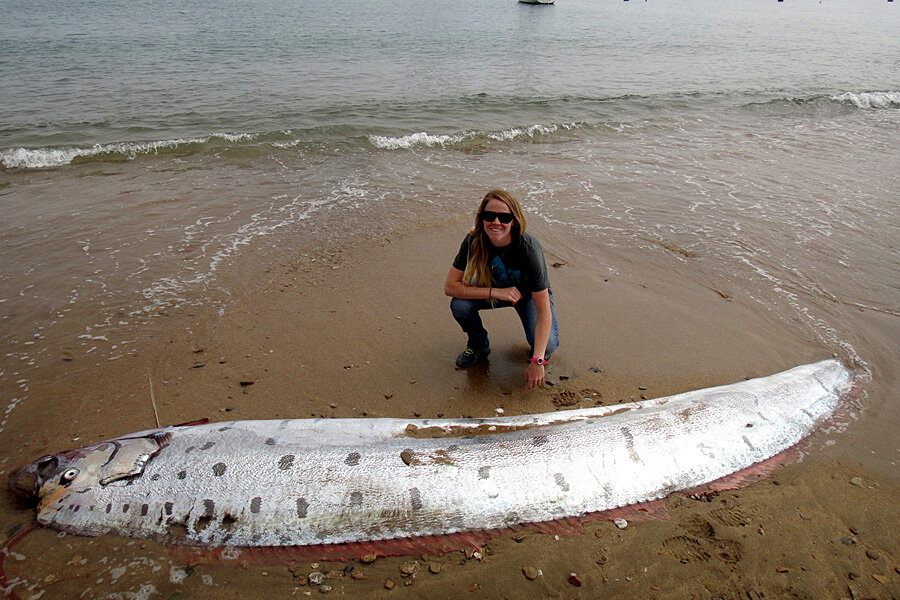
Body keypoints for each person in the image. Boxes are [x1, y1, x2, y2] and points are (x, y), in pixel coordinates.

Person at [444, 189, 560, 389]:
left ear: (513, 220)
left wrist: (537, 361)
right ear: (481, 219)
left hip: (528, 297)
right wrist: (495, 292)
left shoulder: (529, 248)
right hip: (496, 292)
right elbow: (450, 286)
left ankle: (539, 352)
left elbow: (543, 311)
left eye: (504, 217)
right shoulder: (473, 241)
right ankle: (478, 346)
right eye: (489, 216)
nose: (496, 222)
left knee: (546, 346)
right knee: (460, 305)